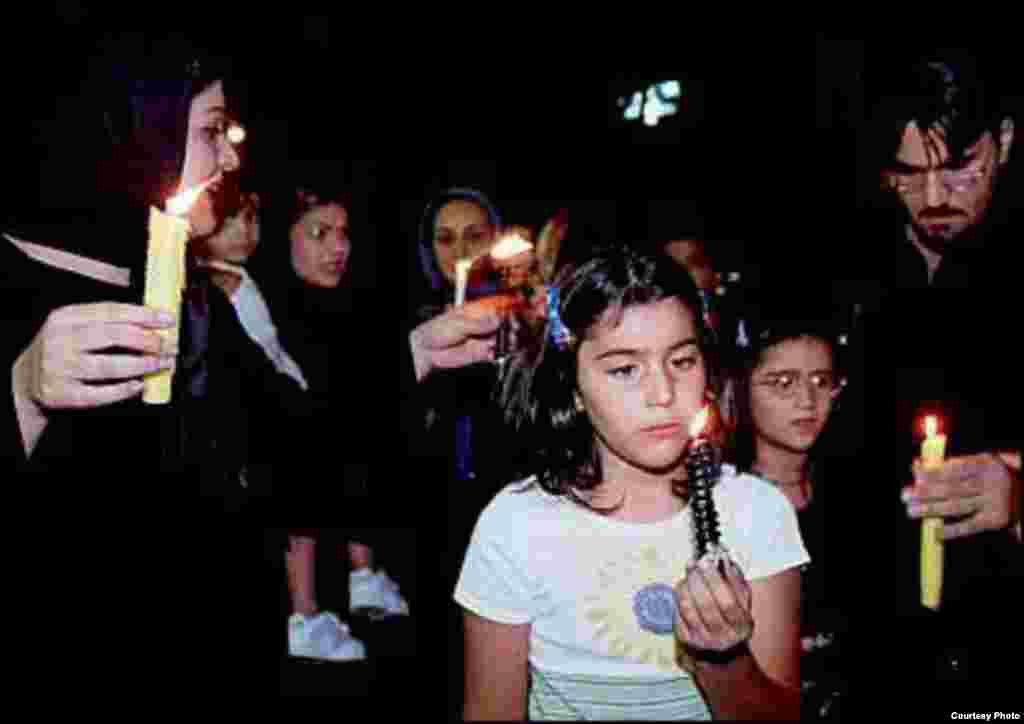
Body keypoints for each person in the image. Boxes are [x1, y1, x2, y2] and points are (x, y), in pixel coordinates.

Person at [1, 35, 302, 691]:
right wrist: (21, 393)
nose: (229, 156)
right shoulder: (12, 280)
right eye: (211, 132)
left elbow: (298, 442)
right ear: (136, 136)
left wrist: (417, 354)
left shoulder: (188, 294)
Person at [455, 246, 806, 720]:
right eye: (624, 369)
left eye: (681, 362)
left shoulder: (756, 513)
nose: (662, 394)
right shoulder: (516, 525)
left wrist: (721, 659)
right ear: (573, 388)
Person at [836, 44, 1022, 715]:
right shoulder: (853, 264)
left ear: (1003, 140)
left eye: (959, 169)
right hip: (880, 656)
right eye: (907, 174)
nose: (935, 198)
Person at [724, 298, 852, 720]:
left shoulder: (844, 491)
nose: (807, 400)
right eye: (782, 382)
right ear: (742, 388)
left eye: (821, 380)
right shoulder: (726, 504)